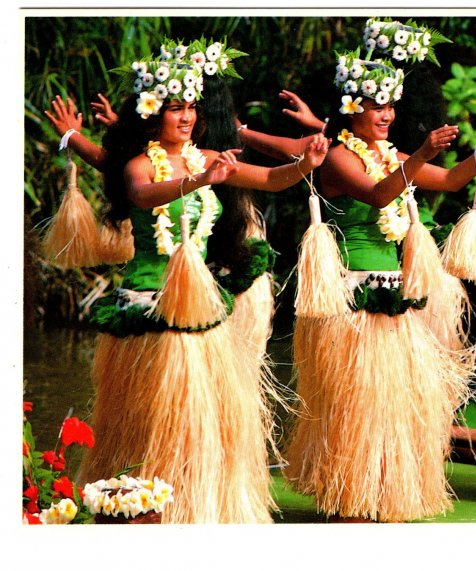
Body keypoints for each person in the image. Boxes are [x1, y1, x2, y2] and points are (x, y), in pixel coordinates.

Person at [75, 38, 329, 524]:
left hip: (200, 310)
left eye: (191, 106)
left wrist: (305, 166)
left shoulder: (208, 157)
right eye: (175, 108)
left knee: (204, 419)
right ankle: (141, 504)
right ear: (152, 113)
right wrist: (197, 181)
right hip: (150, 309)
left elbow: (271, 181)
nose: (186, 116)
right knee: (151, 419)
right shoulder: (140, 164)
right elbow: (143, 196)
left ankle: (197, 505)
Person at [283, 18, 476, 523]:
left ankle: (383, 490)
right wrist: (420, 154)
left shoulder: (390, 155)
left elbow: (454, 180)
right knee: (357, 404)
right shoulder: (340, 159)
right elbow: (378, 194)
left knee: (396, 403)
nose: (388, 115)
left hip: (396, 303)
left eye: (392, 105)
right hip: (352, 305)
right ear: (354, 109)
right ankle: (349, 495)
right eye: (377, 106)